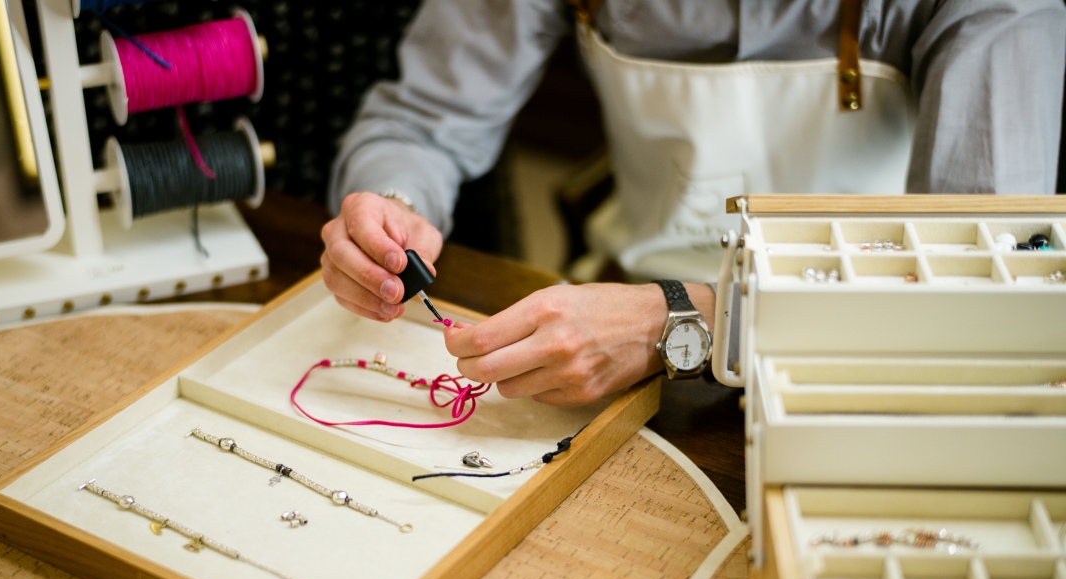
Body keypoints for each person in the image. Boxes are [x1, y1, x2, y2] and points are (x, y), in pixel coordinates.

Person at [319, 0, 1066, 406]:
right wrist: (392, 205)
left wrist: (686, 319)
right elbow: (422, 123)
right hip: (618, 313)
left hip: (870, 358)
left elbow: (982, 294)